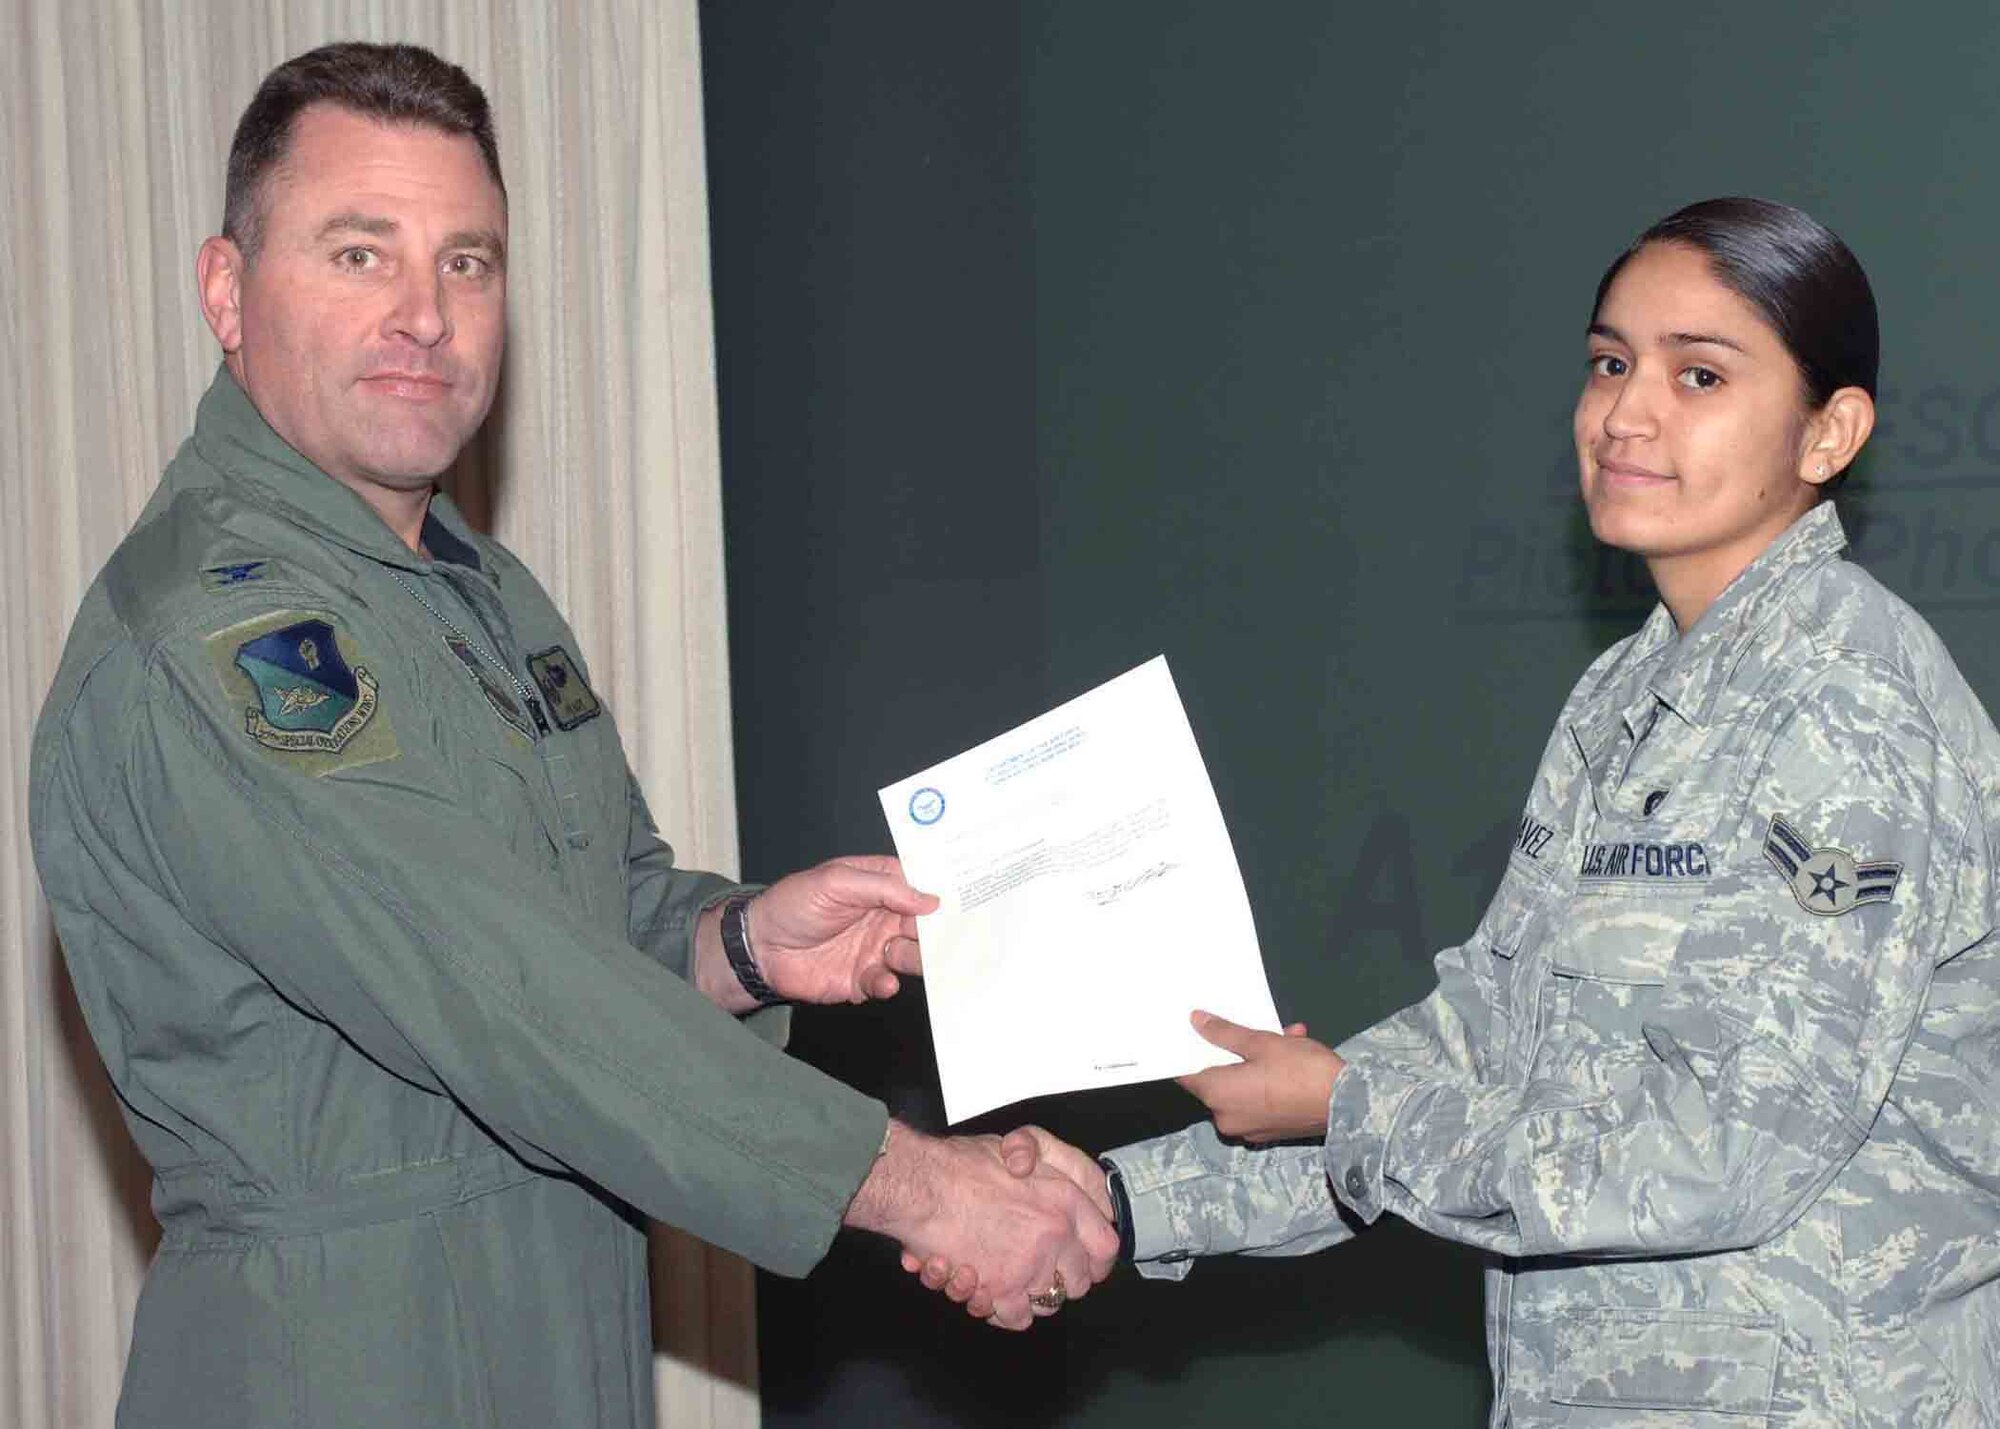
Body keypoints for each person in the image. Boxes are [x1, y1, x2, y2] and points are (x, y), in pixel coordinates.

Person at [29, 42, 1114, 1429]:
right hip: (345, 1358)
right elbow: (507, 992)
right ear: (226, 294)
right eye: (361, 256)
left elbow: (583, 915)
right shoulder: (216, 636)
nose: (425, 314)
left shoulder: (474, 585)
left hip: (554, 1327)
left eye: (466, 263)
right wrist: (925, 1189)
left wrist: (737, 943)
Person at [988, 198, 2000, 1422]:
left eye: (1697, 375)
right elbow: (1486, 1048)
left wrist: (1348, 1105)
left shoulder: (1847, 699)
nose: (1626, 412)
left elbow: (1717, 1153)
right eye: (1609, 363)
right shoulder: (1625, 692)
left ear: (1827, 431)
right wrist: (1122, 1198)